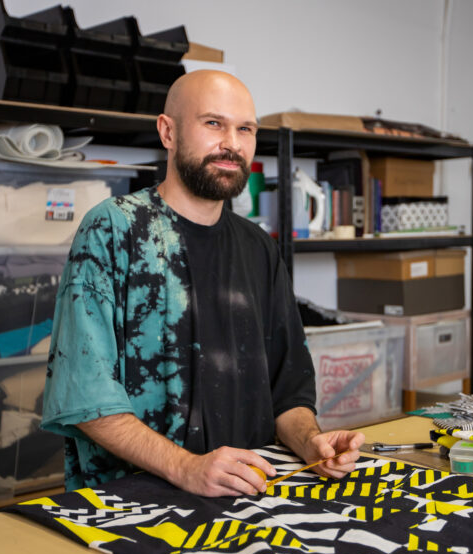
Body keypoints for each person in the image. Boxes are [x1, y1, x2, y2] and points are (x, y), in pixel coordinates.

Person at [41, 70, 362, 497]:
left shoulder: (258, 248)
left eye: (244, 128)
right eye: (213, 123)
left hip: (247, 495)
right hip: (133, 505)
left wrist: (310, 442)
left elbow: (288, 391)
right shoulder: (115, 229)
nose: (232, 142)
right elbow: (86, 395)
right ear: (167, 132)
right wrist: (187, 467)